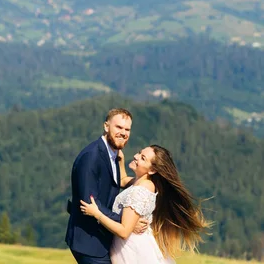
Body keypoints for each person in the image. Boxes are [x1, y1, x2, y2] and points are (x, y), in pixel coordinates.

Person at [80, 144, 210, 264]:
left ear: (152, 170)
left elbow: (124, 231)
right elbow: (123, 180)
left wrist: (97, 214)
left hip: (131, 250)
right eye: (139, 153)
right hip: (134, 246)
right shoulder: (144, 183)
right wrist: (121, 161)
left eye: (142, 158)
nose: (136, 156)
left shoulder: (139, 191)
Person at [65, 108, 148, 264]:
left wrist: (148, 182)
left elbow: (119, 181)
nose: (123, 133)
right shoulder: (91, 157)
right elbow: (89, 204)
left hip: (102, 239)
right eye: (119, 127)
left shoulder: (114, 154)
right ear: (106, 126)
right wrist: (127, 224)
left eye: (127, 129)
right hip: (89, 242)